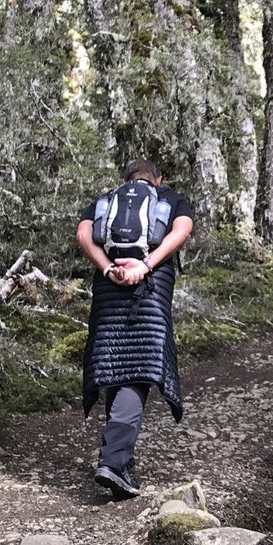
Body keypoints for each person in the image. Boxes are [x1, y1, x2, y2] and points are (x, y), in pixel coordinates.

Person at [76, 158, 194, 499]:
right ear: (158, 179)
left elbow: (83, 234)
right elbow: (182, 230)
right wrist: (144, 265)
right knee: (138, 369)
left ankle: (119, 460)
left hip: (109, 288)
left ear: (126, 178)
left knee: (116, 364)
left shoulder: (106, 200)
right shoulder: (170, 199)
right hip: (150, 289)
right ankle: (113, 462)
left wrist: (108, 268)